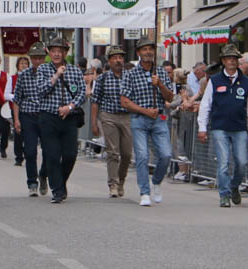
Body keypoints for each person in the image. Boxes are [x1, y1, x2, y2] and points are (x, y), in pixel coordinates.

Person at [196, 43, 248, 208]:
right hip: (220, 127)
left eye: (234, 58)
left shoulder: (245, 81)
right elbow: (205, 104)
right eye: (228, 58)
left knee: (242, 162)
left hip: (239, 127)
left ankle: (234, 185)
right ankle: (224, 194)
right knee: (223, 162)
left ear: (238, 61)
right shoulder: (215, 80)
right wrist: (202, 127)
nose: (231, 61)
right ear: (223, 61)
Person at [121, 37, 175, 207]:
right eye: (144, 49)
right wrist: (144, 111)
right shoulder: (130, 74)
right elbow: (124, 101)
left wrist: (160, 85)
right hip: (139, 119)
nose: (148, 52)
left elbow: (170, 97)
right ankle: (144, 192)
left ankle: (156, 181)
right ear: (138, 52)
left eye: (150, 49)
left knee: (166, 155)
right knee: (142, 156)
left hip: (159, 119)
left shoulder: (161, 72)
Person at [35, 36, 85, 204]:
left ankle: (61, 182)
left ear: (65, 53)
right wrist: (56, 76)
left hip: (69, 117)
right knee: (53, 155)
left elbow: (81, 93)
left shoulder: (75, 70)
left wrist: (70, 107)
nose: (57, 54)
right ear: (49, 53)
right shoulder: (43, 69)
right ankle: (57, 190)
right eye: (54, 51)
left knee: (70, 154)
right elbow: (40, 90)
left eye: (60, 51)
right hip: (48, 117)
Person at [92, 45, 133, 199]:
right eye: (114, 58)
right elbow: (95, 101)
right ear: (109, 61)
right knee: (113, 152)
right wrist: (94, 122)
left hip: (127, 116)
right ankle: (113, 184)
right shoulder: (102, 78)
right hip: (108, 116)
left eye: (120, 57)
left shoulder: (130, 76)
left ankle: (121, 180)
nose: (118, 60)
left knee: (127, 153)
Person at [12, 43, 50, 197]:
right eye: (35, 58)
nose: (38, 61)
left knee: (49, 150)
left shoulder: (51, 73)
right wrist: (16, 120)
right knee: (30, 150)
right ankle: (32, 183)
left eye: (40, 58)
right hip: (28, 116)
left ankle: (43, 174)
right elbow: (17, 99)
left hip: (46, 115)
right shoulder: (24, 75)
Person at [4, 56, 30, 167]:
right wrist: (17, 97)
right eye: (21, 63)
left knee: (29, 133)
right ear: (17, 66)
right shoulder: (13, 78)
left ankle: (28, 154)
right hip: (16, 109)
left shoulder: (32, 77)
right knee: (18, 133)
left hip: (29, 109)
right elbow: (6, 95)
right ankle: (18, 156)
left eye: (26, 63)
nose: (24, 65)